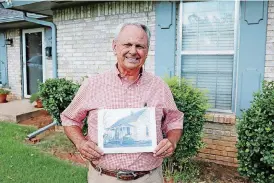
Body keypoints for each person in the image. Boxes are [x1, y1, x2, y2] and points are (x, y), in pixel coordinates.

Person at [61, 22, 183, 183]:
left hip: (149, 178)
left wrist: (172, 141)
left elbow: (174, 120)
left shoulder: (159, 86)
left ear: (147, 51)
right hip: (103, 177)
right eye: (127, 44)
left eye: (140, 46)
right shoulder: (93, 84)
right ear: (115, 46)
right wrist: (80, 142)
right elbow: (70, 118)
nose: (133, 51)